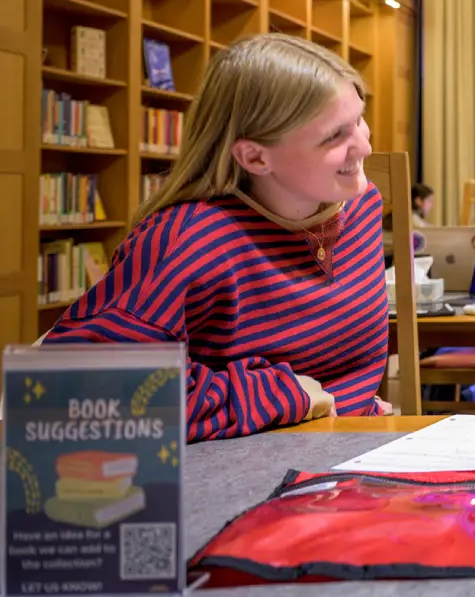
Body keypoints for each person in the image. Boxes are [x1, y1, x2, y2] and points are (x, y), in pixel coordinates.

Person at [43, 34, 391, 442]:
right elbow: (65, 397)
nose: (365, 146)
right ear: (256, 157)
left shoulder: (363, 205)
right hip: (244, 476)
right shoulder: (189, 239)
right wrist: (277, 396)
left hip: (350, 456)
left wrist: (358, 411)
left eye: (360, 119)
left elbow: (341, 377)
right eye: (335, 136)